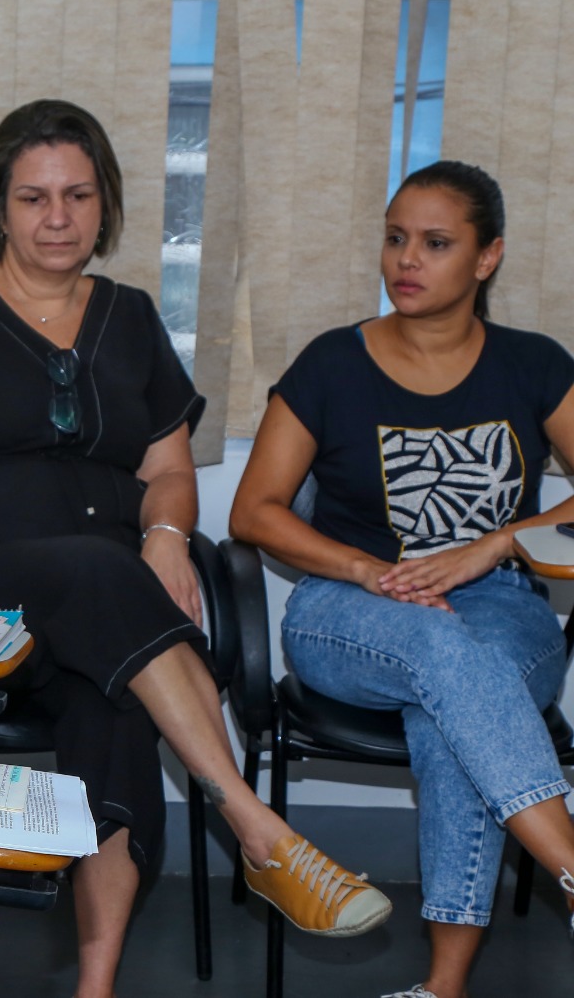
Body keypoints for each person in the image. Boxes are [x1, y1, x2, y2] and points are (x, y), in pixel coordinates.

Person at [0, 98, 391, 998]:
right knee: (100, 572)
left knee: (117, 705)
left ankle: (96, 986)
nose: (58, 217)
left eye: (79, 196)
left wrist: (166, 537)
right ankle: (256, 826)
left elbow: (168, 468)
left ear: (107, 205)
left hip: (103, 613)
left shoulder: (129, 317)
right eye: (33, 198)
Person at [231, 160, 574, 998]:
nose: (406, 260)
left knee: (454, 701)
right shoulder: (331, 364)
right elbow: (255, 511)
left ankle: (441, 989)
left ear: (487, 257)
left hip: (499, 608)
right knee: (446, 655)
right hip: (349, 608)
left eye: (435, 243)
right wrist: (367, 568)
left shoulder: (533, 364)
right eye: (395, 239)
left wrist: (494, 545)